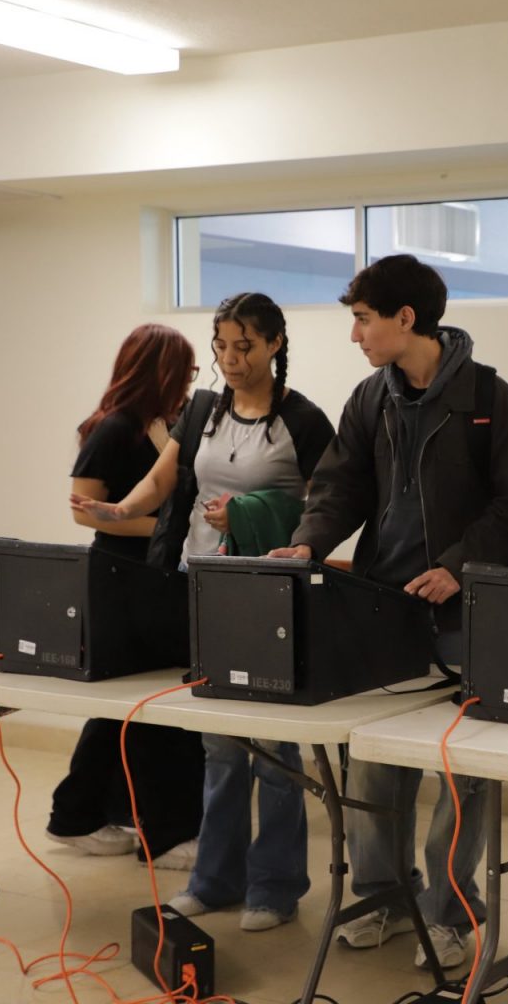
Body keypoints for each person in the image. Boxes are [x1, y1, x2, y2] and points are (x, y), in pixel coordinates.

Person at [269, 253, 508, 969]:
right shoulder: (370, 399)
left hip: (467, 619)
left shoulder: (492, 399)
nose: (355, 334)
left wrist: (457, 566)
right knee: (373, 768)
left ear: (406, 318)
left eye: (363, 319)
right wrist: (309, 542)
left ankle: (451, 913)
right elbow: (340, 487)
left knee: (461, 774)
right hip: (382, 613)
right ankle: (385, 900)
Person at [73, 293, 334, 932]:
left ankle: (275, 888)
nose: (230, 359)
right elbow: (165, 479)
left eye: (244, 346)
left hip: (271, 597)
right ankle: (215, 879)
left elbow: (327, 506)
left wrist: (249, 515)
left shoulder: (303, 420)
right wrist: (116, 510)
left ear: (274, 344)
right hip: (203, 587)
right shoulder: (203, 410)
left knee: (274, 750)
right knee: (218, 745)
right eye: (221, 347)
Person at [45, 323, 206, 870]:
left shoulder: (165, 427)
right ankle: (165, 833)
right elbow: (83, 510)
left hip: (156, 576)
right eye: (185, 370)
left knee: (125, 712)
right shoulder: (113, 429)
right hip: (123, 579)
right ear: (159, 371)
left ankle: (78, 815)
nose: (191, 380)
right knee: (154, 711)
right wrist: (165, 529)